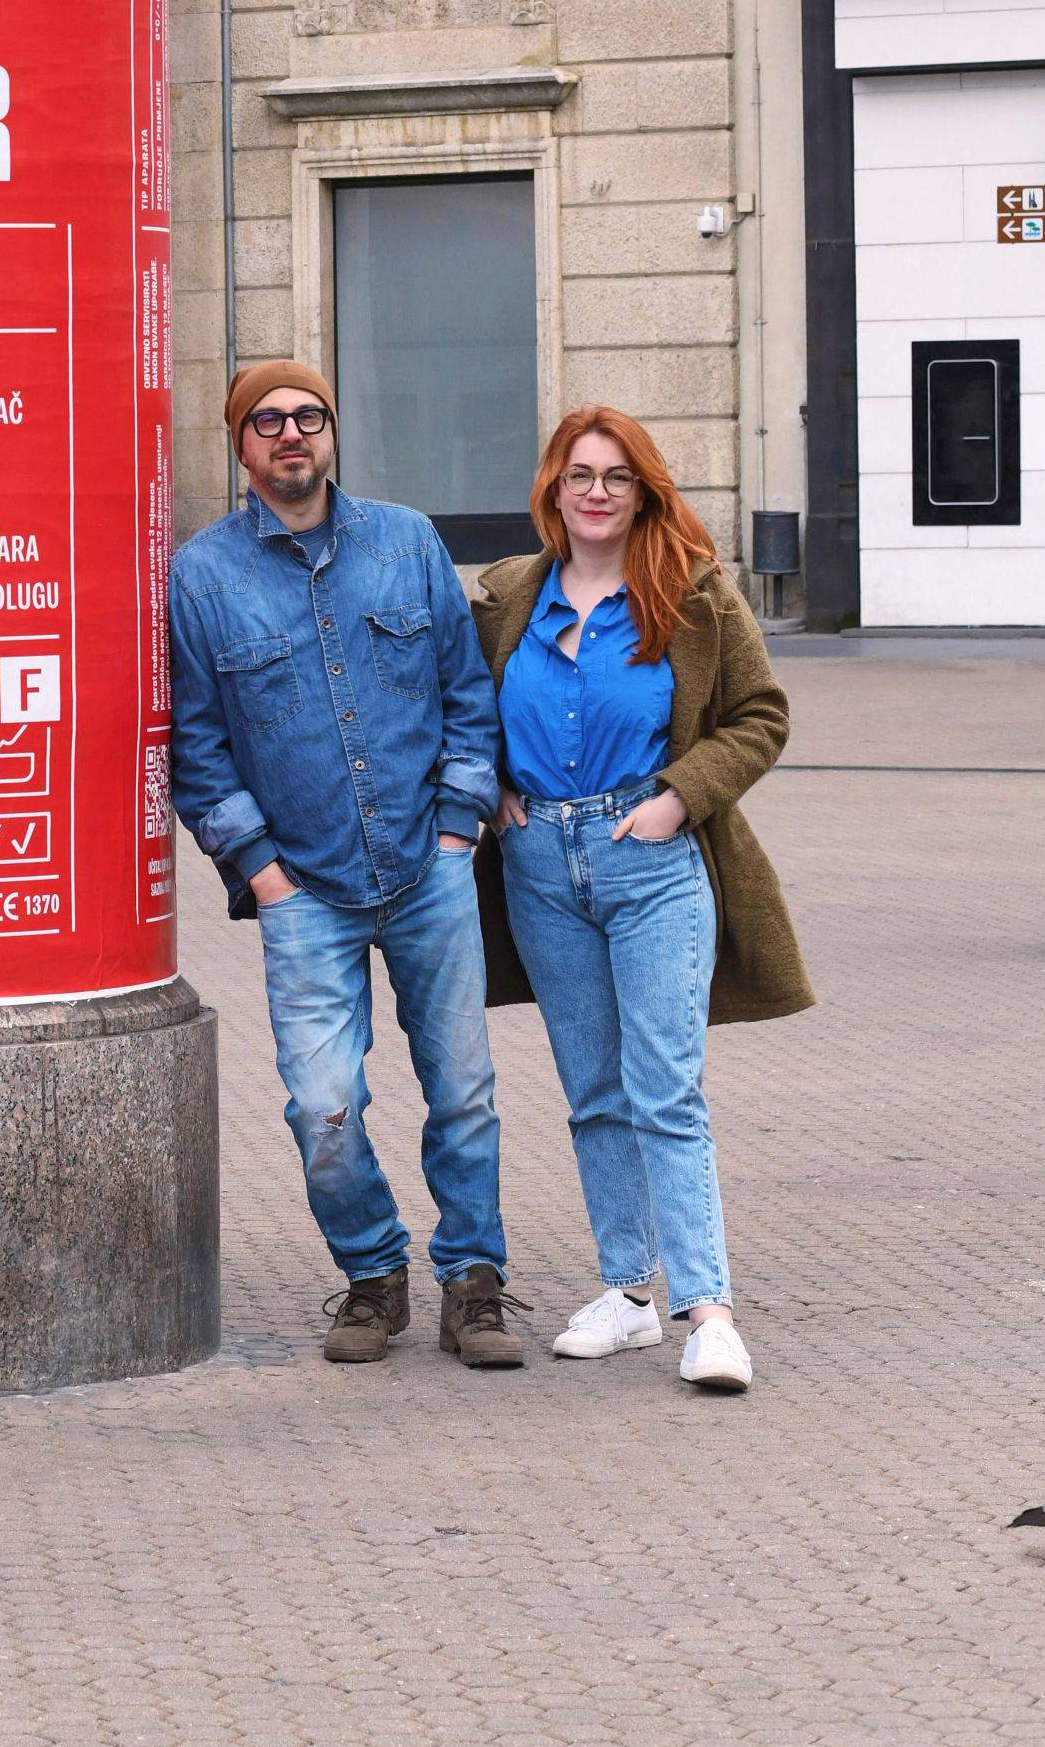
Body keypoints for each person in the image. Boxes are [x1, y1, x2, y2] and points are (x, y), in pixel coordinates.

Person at [169, 358, 520, 1369]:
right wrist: (263, 875)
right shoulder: (204, 575)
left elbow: (465, 691)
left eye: (309, 417)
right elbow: (196, 745)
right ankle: (373, 1275)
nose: (292, 434)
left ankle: (474, 1284)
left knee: (462, 1091)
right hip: (304, 893)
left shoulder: (407, 542)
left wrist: (458, 829)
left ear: (332, 433)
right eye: (268, 421)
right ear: (239, 448)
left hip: (427, 868)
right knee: (322, 1104)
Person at [474, 406, 812, 1394]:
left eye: (617, 477)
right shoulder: (504, 598)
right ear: (552, 487)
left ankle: (708, 1313)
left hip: (651, 860)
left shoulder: (695, 596)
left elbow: (761, 717)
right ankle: (627, 1294)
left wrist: (679, 799)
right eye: (579, 474)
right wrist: (490, 789)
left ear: (645, 492)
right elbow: (462, 709)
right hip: (542, 867)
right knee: (594, 1092)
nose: (596, 493)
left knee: (665, 1086)